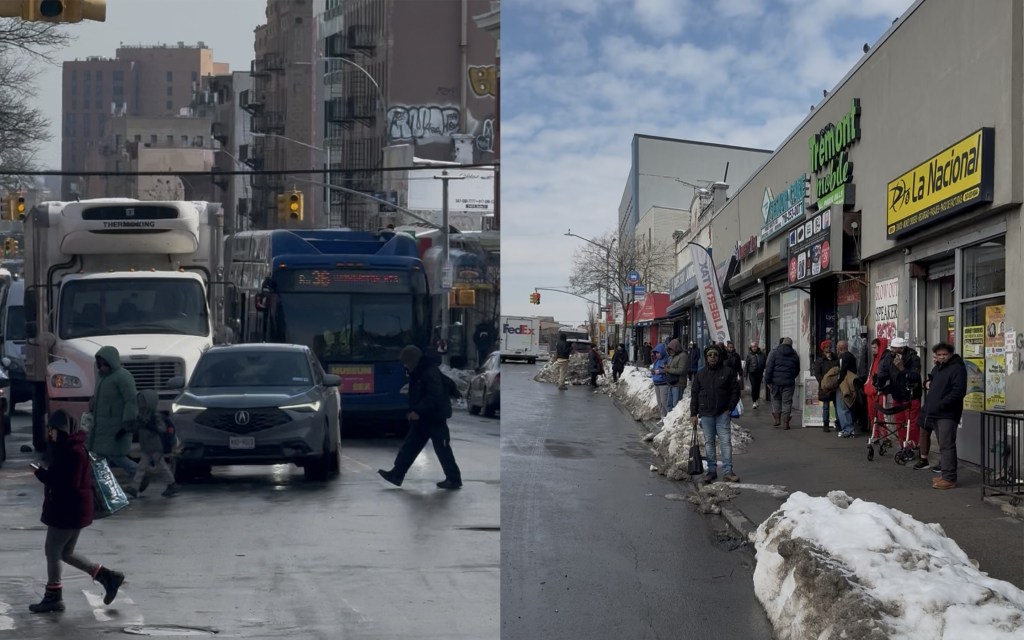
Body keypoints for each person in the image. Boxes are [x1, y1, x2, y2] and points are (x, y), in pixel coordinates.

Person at [30, 410, 124, 613]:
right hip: (75, 509)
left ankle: (53, 596)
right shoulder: (71, 448)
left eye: (52, 430)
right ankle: (107, 576)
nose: (50, 433)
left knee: (52, 551)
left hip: (67, 510)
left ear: (63, 430)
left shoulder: (71, 451)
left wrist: (41, 474)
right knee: (66, 552)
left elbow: (66, 483)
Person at [378, 345, 462, 489]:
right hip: (425, 417)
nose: (405, 366)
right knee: (410, 447)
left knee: (442, 449)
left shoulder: (428, 372)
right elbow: (439, 386)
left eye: (407, 362)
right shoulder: (420, 371)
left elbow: (434, 395)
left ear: (413, 361)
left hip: (434, 417)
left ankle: (454, 479)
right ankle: (396, 474)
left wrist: (418, 411)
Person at [917, 343, 966, 489]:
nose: (942, 357)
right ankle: (945, 475)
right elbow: (931, 382)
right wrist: (927, 383)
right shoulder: (938, 368)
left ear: (950, 354)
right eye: (939, 355)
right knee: (943, 446)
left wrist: (941, 404)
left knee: (947, 445)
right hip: (936, 412)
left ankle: (949, 478)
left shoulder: (957, 368)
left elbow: (958, 391)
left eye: (945, 354)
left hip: (947, 413)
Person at [87, 346, 139, 486]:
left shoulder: (123, 376)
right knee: (101, 456)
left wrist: (128, 422)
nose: (102, 367)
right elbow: (99, 397)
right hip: (102, 425)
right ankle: (98, 484)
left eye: (105, 363)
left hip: (116, 426)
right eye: (100, 364)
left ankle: (139, 473)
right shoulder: (101, 377)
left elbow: (131, 400)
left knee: (115, 456)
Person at [689, 345, 741, 483]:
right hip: (706, 414)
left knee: (726, 442)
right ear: (706, 357)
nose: (713, 357)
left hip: (722, 413)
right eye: (710, 355)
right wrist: (693, 413)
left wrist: (730, 408)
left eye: (715, 355)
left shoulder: (728, 372)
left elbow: (735, 391)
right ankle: (711, 471)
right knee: (709, 443)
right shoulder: (701, 374)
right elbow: (694, 394)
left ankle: (728, 471)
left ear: (719, 357)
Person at [125, 390, 178, 499]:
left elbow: (161, 428)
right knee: (142, 467)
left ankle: (171, 483)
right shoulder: (141, 415)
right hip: (146, 445)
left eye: (143, 401)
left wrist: (149, 426)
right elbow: (138, 428)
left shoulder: (154, 415)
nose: (141, 404)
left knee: (160, 465)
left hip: (155, 445)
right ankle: (134, 487)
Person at [877, 336, 923, 452]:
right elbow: (884, 373)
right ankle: (903, 445)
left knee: (912, 423)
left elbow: (915, 376)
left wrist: (902, 369)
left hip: (911, 395)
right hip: (897, 394)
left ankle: (911, 445)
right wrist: (879, 380)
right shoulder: (889, 357)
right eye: (891, 348)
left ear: (901, 349)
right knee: (899, 422)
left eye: (894, 349)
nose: (892, 351)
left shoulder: (913, 358)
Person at [765, 336, 800, 429]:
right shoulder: (794, 354)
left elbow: (769, 368)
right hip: (789, 383)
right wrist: (791, 377)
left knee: (776, 399)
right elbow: (797, 369)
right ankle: (786, 423)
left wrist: (768, 381)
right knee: (787, 402)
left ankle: (777, 419)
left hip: (775, 382)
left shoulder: (775, 353)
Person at [862, 337, 892, 436]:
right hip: (872, 391)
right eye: (872, 348)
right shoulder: (876, 358)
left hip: (880, 391)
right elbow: (871, 374)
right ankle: (875, 434)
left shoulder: (886, 358)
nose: (873, 350)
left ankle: (885, 436)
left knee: (881, 415)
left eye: (875, 348)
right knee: (872, 414)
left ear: (880, 347)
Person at [835, 340, 859, 438]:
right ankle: (850, 428)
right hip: (851, 384)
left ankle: (847, 429)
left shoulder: (842, 358)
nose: (836, 349)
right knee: (849, 406)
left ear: (840, 348)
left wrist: (837, 382)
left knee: (842, 407)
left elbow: (841, 372)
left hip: (843, 385)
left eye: (837, 347)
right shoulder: (852, 357)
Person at [813, 340, 837, 433]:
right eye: (826, 347)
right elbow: (817, 373)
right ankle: (825, 424)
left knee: (837, 405)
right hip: (825, 386)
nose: (829, 349)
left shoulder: (835, 358)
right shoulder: (820, 360)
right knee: (826, 406)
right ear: (823, 349)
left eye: (829, 347)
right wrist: (823, 382)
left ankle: (838, 423)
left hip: (834, 385)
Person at [664, 338, 688, 412]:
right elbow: (672, 367)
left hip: (678, 384)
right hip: (671, 383)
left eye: (672, 349)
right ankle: (669, 418)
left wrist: (668, 370)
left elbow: (681, 370)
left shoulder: (683, 356)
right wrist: (667, 367)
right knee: (669, 404)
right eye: (669, 350)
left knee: (676, 405)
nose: (670, 351)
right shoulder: (672, 356)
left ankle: (674, 418)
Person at [649, 343, 670, 416]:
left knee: (664, 402)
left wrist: (660, 371)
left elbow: (668, 369)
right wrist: (653, 371)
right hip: (656, 383)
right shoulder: (657, 361)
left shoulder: (667, 359)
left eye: (658, 353)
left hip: (663, 383)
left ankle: (667, 417)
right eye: (656, 353)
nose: (657, 355)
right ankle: (662, 416)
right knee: (659, 402)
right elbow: (655, 368)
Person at [745, 342, 766, 409]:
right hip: (752, 373)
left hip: (759, 372)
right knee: (754, 386)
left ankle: (756, 399)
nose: (754, 348)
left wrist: (764, 370)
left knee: (758, 387)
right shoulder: (749, 355)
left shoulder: (762, 354)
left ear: (757, 347)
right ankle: (754, 401)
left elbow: (765, 362)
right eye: (753, 347)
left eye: (755, 346)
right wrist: (745, 374)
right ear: (751, 348)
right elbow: (747, 364)